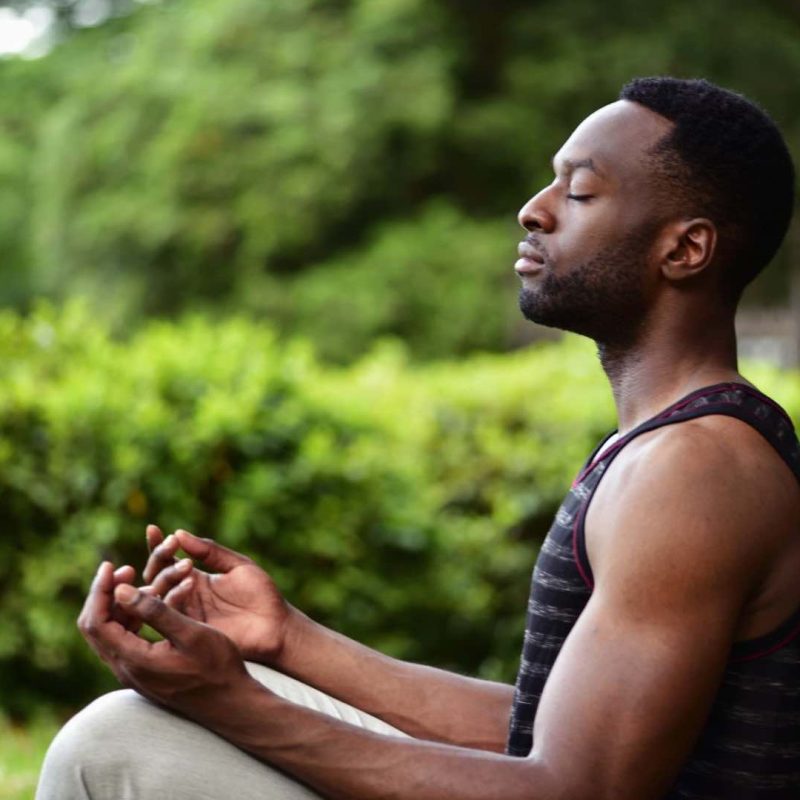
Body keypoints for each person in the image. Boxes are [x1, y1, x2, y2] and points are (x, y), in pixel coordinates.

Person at [37, 76, 800, 799]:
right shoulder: (670, 446)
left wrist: (229, 702)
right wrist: (286, 641)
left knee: (118, 744)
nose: (534, 210)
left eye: (579, 191)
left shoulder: (696, 468)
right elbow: (543, 729)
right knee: (184, 715)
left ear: (685, 250)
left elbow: (580, 787)